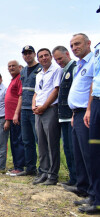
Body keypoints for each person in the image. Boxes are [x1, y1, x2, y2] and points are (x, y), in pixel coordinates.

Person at [64, 33, 96, 210]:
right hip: (77, 114)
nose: (74, 48)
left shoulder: (93, 62)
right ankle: (83, 188)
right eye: (72, 45)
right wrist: (74, 115)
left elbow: (93, 86)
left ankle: (94, 195)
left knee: (89, 155)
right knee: (79, 153)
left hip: (87, 113)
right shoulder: (79, 65)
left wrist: (89, 110)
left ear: (88, 43)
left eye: (77, 44)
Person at [31, 48, 62, 185]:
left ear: (50, 57)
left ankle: (53, 175)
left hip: (49, 110)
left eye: (46, 55)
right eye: (41, 56)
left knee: (52, 143)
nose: (43, 58)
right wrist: (34, 105)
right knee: (41, 143)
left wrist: (44, 106)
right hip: (38, 111)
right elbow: (36, 93)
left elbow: (56, 90)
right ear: (38, 59)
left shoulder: (56, 70)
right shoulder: (39, 74)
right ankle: (43, 172)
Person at [82, 18, 100, 214]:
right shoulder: (98, 49)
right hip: (96, 103)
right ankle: (96, 198)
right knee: (95, 153)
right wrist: (89, 108)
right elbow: (94, 81)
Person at [52, 46, 77, 186]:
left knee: (73, 150)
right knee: (67, 149)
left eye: (60, 58)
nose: (58, 62)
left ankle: (79, 180)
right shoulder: (63, 71)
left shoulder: (74, 67)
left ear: (67, 54)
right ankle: (73, 178)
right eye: (56, 60)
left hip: (72, 116)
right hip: (63, 116)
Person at [16, 45, 42, 177]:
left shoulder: (41, 68)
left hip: (36, 110)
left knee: (39, 140)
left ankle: (43, 170)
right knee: (27, 141)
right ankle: (30, 168)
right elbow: (21, 93)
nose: (27, 55)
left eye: (29, 53)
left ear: (34, 54)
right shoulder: (23, 71)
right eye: (25, 53)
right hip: (24, 110)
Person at [5, 60, 25, 176]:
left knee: (18, 141)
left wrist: (16, 114)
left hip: (17, 117)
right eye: (9, 66)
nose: (11, 68)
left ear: (19, 67)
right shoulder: (13, 80)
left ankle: (20, 167)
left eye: (13, 66)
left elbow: (20, 97)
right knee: (14, 142)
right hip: (12, 118)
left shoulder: (20, 78)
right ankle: (17, 165)